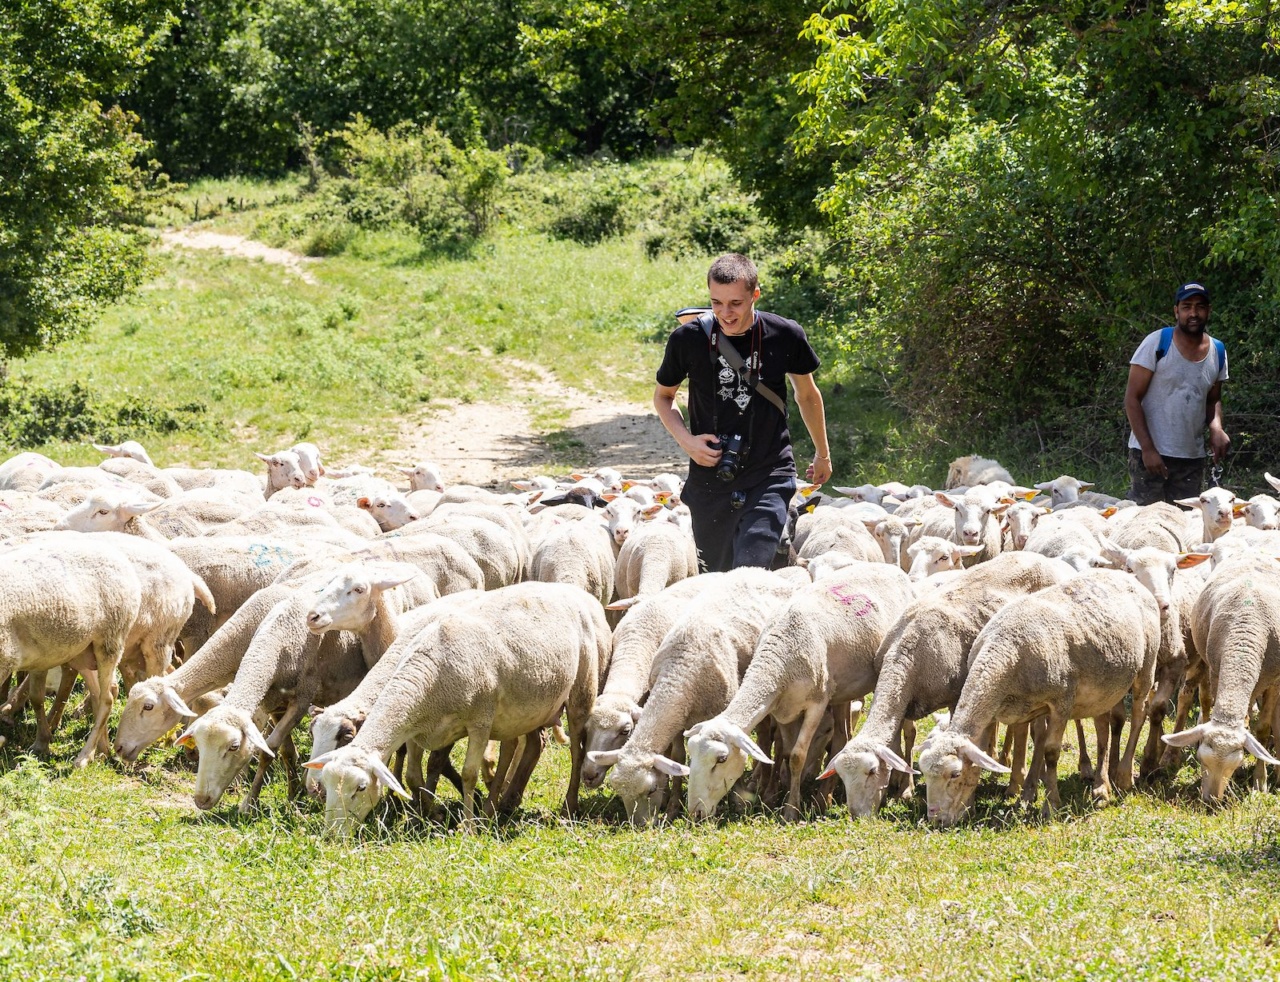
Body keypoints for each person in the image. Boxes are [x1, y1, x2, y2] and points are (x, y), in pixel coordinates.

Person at [653, 253, 832, 572]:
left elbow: (807, 395)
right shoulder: (688, 338)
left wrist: (822, 455)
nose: (725, 313)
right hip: (710, 476)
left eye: (735, 303)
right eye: (716, 302)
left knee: (750, 569)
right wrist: (687, 442)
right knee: (717, 579)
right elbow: (664, 397)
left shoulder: (784, 334)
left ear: (755, 295)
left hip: (769, 471)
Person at [1123, 281, 1230, 505]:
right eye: (1186, 306)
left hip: (1191, 457)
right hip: (1150, 455)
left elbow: (1213, 399)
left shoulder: (1217, 351)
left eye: (1200, 307)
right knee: (1143, 526)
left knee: (1185, 525)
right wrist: (1148, 449)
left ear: (1208, 311)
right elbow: (1132, 399)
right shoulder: (1157, 343)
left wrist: (1216, 428)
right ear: (1176, 311)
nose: (1193, 313)